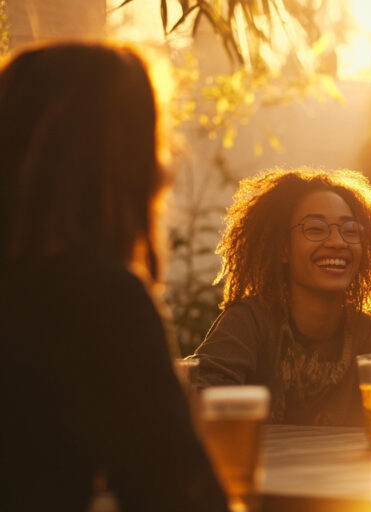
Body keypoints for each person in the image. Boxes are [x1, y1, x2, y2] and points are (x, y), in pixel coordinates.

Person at [0, 43, 228, 511]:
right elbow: (176, 494)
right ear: (124, 161)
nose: (162, 168)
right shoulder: (93, 297)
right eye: (153, 144)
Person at [193, 168, 371, 426]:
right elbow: (200, 397)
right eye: (315, 229)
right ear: (283, 248)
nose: (337, 242)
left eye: (350, 230)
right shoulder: (250, 322)